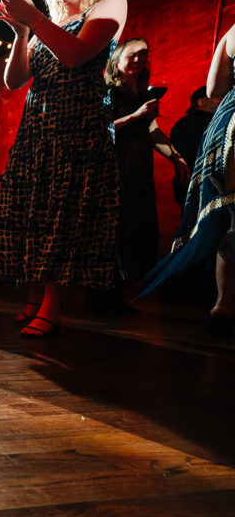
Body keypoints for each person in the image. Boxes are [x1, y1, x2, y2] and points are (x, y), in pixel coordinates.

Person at [0, 0, 128, 337]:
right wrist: (21, 34)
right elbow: (15, 80)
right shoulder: (47, 27)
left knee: (62, 214)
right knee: (34, 212)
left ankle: (53, 305)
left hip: (77, 127)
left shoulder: (111, 2)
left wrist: (34, 21)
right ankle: (35, 296)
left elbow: (76, 55)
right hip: (37, 129)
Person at [140, 23, 235, 338]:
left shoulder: (231, 33)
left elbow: (214, 90)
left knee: (231, 219)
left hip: (227, 127)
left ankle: (223, 306)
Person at [101, 39, 191, 306]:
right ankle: (107, 299)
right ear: (117, 61)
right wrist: (136, 115)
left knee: (140, 228)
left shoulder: (143, 96)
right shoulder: (108, 92)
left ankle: (124, 294)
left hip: (139, 168)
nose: (139, 59)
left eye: (144, 54)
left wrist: (177, 158)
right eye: (133, 54)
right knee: (118, 229)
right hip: (115, 170)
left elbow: (153, 132)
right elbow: (101, 129)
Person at [170, 86, 221, 208]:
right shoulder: (190, 125)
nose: (223, 100)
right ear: (201, 101)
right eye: (219, 97)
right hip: (205, 192)